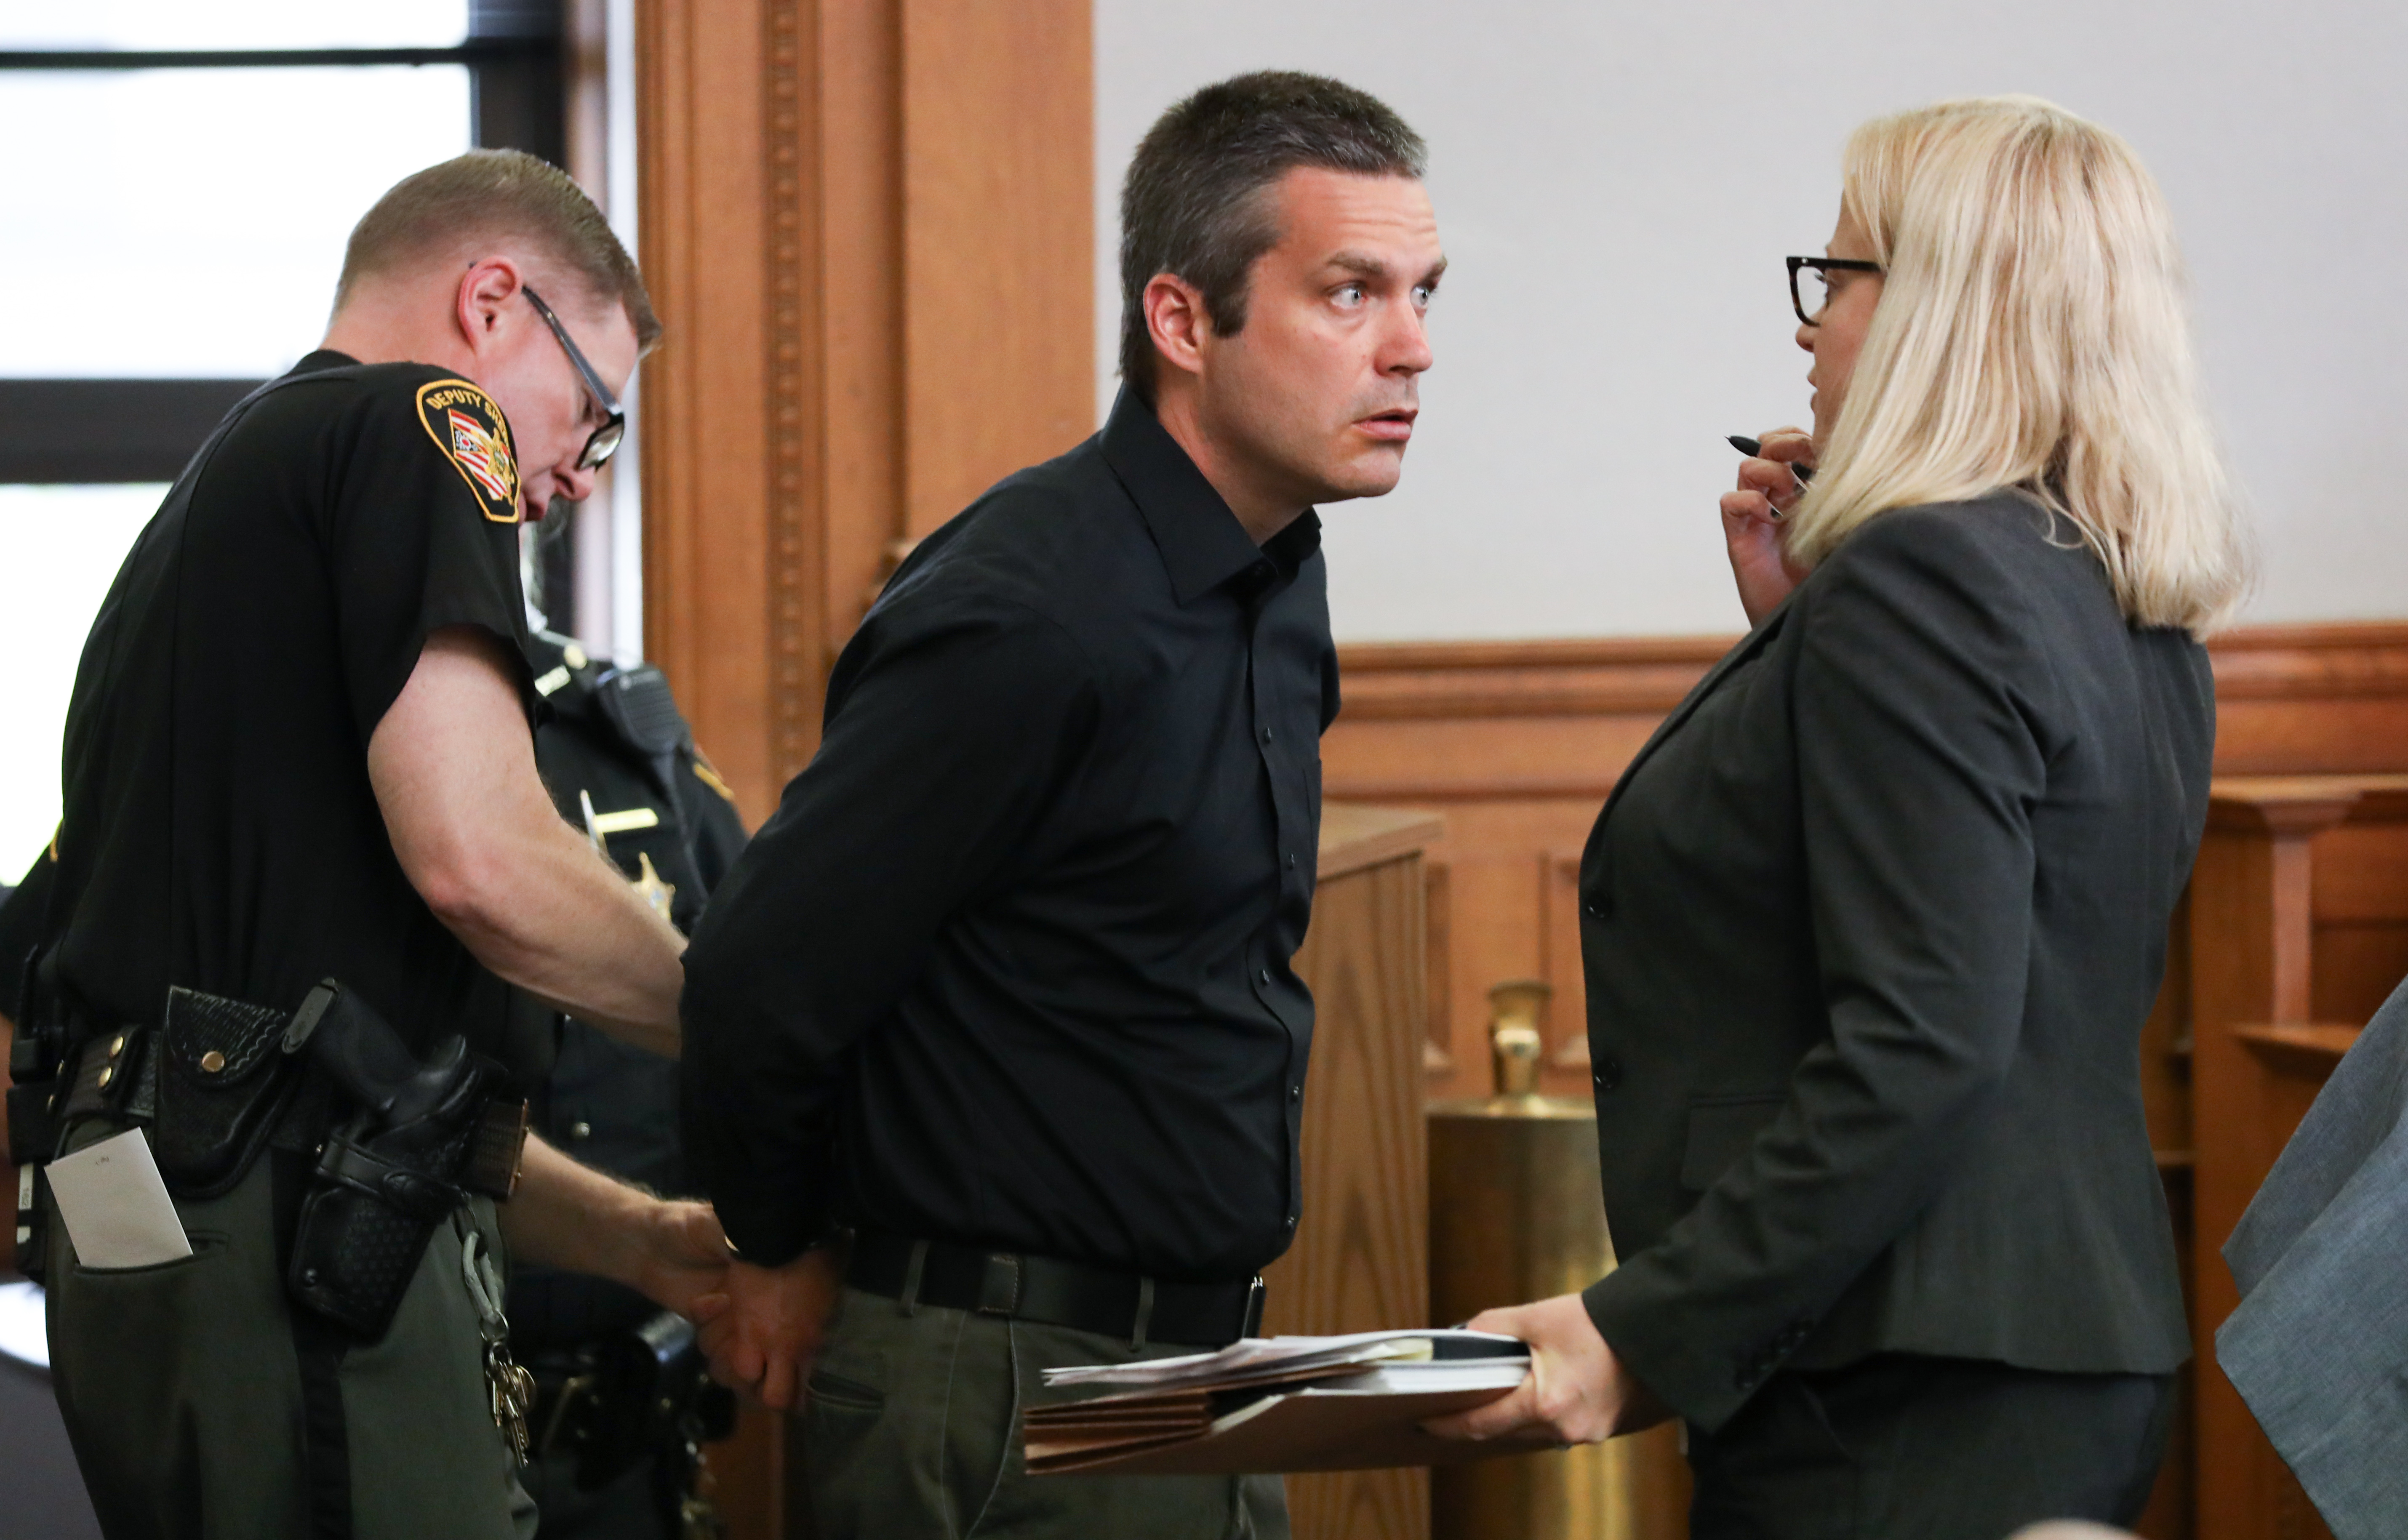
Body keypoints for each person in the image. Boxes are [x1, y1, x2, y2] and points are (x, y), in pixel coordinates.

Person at [1428, 96, 2250, 1537]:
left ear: (1945, 309)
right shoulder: (2118, 590)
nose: (1808, 324)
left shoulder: (1922, 580)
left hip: (1899, 1375)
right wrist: (1802, 651)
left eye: (1839, 275)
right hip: (2054, 1348)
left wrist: (1634, 1329)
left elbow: (1927, 1046)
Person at [677, 71, 1443, 1540]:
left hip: (1203, 1360)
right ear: (1181, 321)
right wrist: (771, 1246)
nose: (1411, 347)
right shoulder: (1028, 610)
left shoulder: (1278, 568)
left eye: (1422, 293)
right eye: (1352, 293)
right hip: (1010, 1371)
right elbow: (763, 974)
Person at [10, 149, 730, 1540]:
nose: (579, 474)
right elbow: (484, 859)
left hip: (162, 1232)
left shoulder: (194, 543)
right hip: (289, 1259)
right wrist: (748, 1018)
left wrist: (642, 1238)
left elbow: (346, 1060)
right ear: (493, 301)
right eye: (594, 413)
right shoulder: (415, 422)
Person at [509, 628, 749, 1540]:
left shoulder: (624, 727)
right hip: (393, 1417)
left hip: (626, 1429)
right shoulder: (298, 727)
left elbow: (761, 1012)